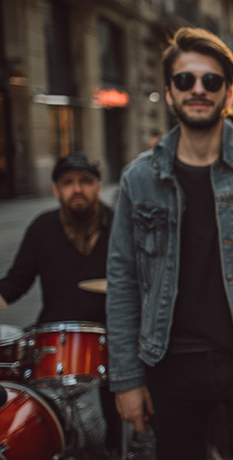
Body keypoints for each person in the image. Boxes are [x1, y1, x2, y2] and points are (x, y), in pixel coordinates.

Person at [106, 27, 233, 459]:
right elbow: (122, 280)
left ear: (228, 93)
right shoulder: (139, 178)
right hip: (169, 365)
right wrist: (127, 379)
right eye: (185, 80)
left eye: (211, 80)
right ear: (169, 92)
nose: (198, 89)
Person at [0, 151, 121, 457]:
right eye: (68, 183)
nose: (77, 189)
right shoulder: (42, 227)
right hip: (53, 336)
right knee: (44, 413)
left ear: (98, 186)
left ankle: (115, 446)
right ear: (56, 189)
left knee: (117, 411)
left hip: (111, 333)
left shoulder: (119, 226)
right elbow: (16, 282)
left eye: (85, 181)